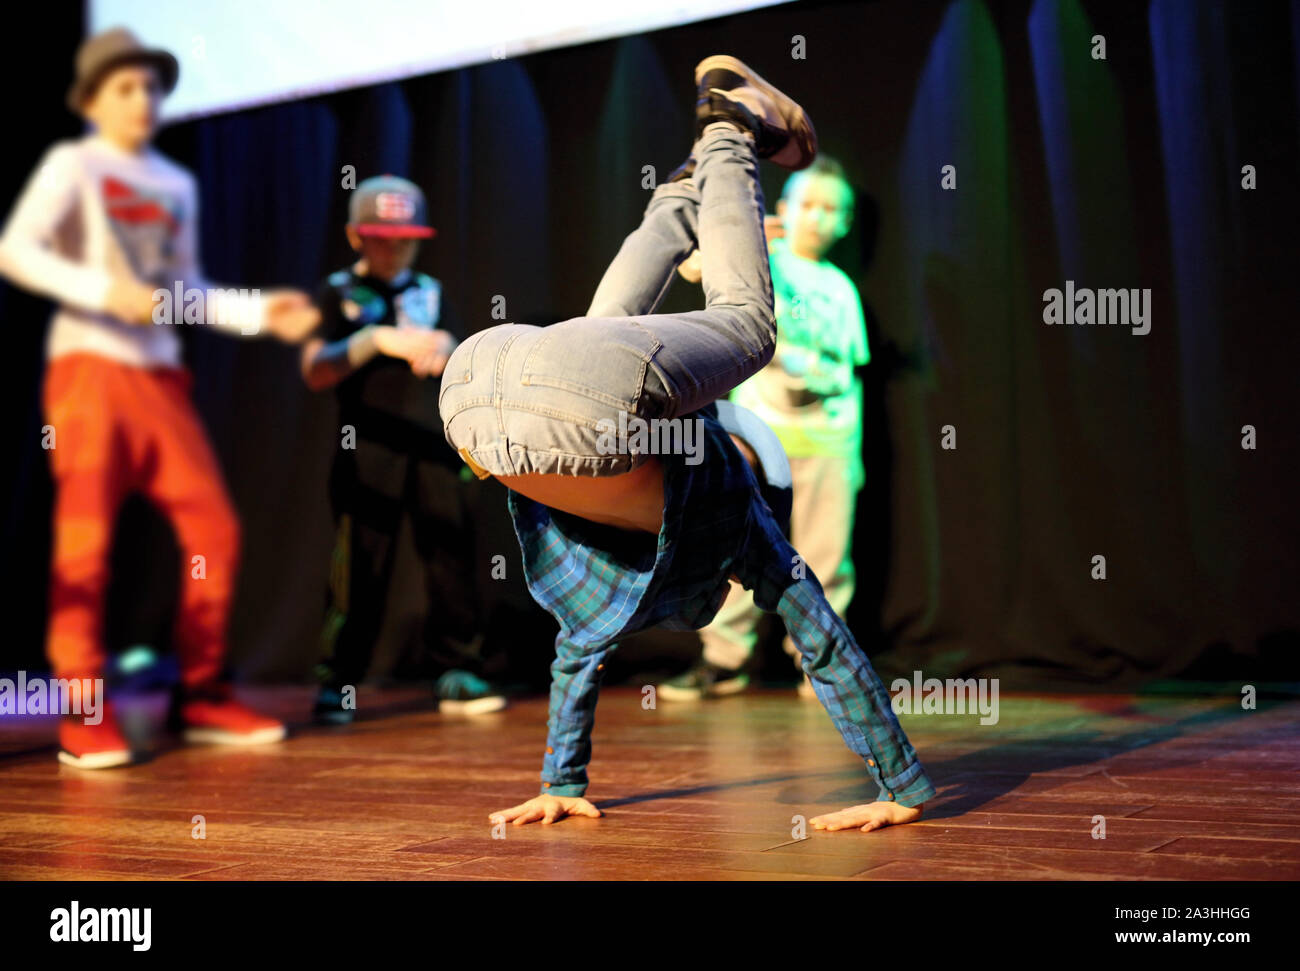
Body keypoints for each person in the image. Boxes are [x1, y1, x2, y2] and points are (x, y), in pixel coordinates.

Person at [440, 55, 935, 833]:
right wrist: (898, 782)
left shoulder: (678, 461)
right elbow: (824, 641)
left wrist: (562, 779)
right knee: (744, 325)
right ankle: (730, 132)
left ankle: (689, 178)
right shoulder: (741, 522)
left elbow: (577, 663)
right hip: (474, 410)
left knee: (613, 343)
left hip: (503, 382)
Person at [0, 28, 320, 768]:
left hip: (159, 384)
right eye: (124, 87)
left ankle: (202, 691)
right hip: (88, 372)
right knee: (87, 544)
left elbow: (184, 293)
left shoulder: (176, 185)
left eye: (150, 87)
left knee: (215, 533)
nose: (142, 100)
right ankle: (83, 707)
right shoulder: (72, 164)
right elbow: (16, 249)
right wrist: (102, 289)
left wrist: (256, 310)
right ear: (90, 100)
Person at [662, 155, 870, 701]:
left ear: (845, 222)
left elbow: (849, 373)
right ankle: (724, 660)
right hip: (761, 439)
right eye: (808, 205)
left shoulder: (840, 288)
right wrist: (746, 239)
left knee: (825, 558)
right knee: (738, 547)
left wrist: (854, 453)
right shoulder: (764, 262)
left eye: (833, 210)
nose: (818, 219)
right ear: (784, 209)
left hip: (828, 440)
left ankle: (820, 664)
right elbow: (692, 267)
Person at [301, 175, 507, 724]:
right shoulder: (338, 292)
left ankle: (459, 669)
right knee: (360, 565)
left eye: (405, 238)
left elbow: (469, 362)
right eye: (381, 237)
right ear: (355, 236)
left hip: (435, 447)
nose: (394, 249)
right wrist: (373, 340)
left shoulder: (432, 292)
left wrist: (450, 348)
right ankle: (338, 681)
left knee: (450, 557)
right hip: (368, 449)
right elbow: (315, 369)